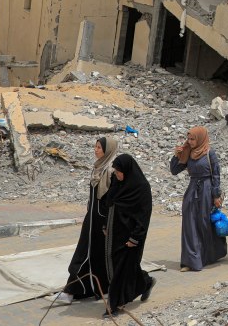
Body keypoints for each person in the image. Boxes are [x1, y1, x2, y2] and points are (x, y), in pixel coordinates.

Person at [52, 136, 119, 305]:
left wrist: (106, 223)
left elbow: (112, 201)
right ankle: (78, 289)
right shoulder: (97, 168)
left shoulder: (111, 171)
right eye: (95, 147)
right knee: (85, 253)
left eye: (99, 147)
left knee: (95, 256)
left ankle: (72, 291)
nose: (95, 150)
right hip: (91, 219)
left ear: (107, 150)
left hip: (102, 222)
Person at [102, 154, 155, 317]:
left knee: (122, 269)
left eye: (119, 171)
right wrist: (105, 224)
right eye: (116, 171)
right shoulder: (117, 182)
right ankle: (146, 282)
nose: (116, 174)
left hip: (131, 236)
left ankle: (114, 305)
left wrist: (135, 238)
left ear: (127, 170)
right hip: (114, 233)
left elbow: (144, 215)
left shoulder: (141, 188)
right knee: (124, 268)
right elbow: (109, 202)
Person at [170, 126, 226, 271]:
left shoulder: (209, 153)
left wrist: (216, 196)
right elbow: (174, 171)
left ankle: (206, 256)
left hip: (207, 191)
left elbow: (216, 175)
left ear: (200, 138)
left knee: (204, 223)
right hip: (192, 190)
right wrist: (177, 156)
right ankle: (191, 261)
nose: (190, 141)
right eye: (188, 138)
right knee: (189, 224)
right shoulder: (188, 152)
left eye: (193, 139)